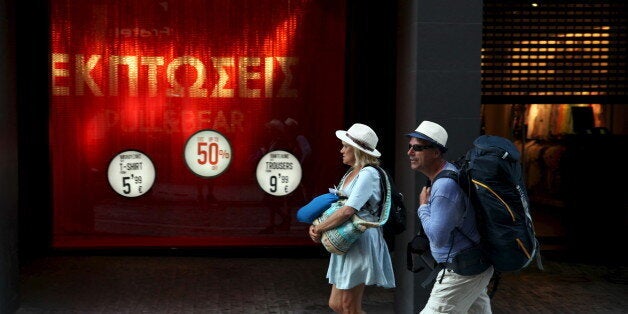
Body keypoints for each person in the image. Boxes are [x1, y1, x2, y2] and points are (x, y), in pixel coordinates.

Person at [406, 120, 494, 314]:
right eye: (410, 147)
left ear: (436, 152)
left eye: (417, 148)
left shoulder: (444, 187)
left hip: (462, 272)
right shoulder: (446, 176)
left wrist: (422, 208)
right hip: (471, 266)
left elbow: (438, 238)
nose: (410, 153)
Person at [308, 123, 395, 314]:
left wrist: (321, 227)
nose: (341, 150)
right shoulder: (352, 173)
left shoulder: (368, 173)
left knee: (348, 306)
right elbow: (338, 207)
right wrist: (317, 225)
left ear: (357, 150)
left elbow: (348, 211)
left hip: (359, 240)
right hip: (348, 240)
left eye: (345, 146)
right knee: (336, 304)